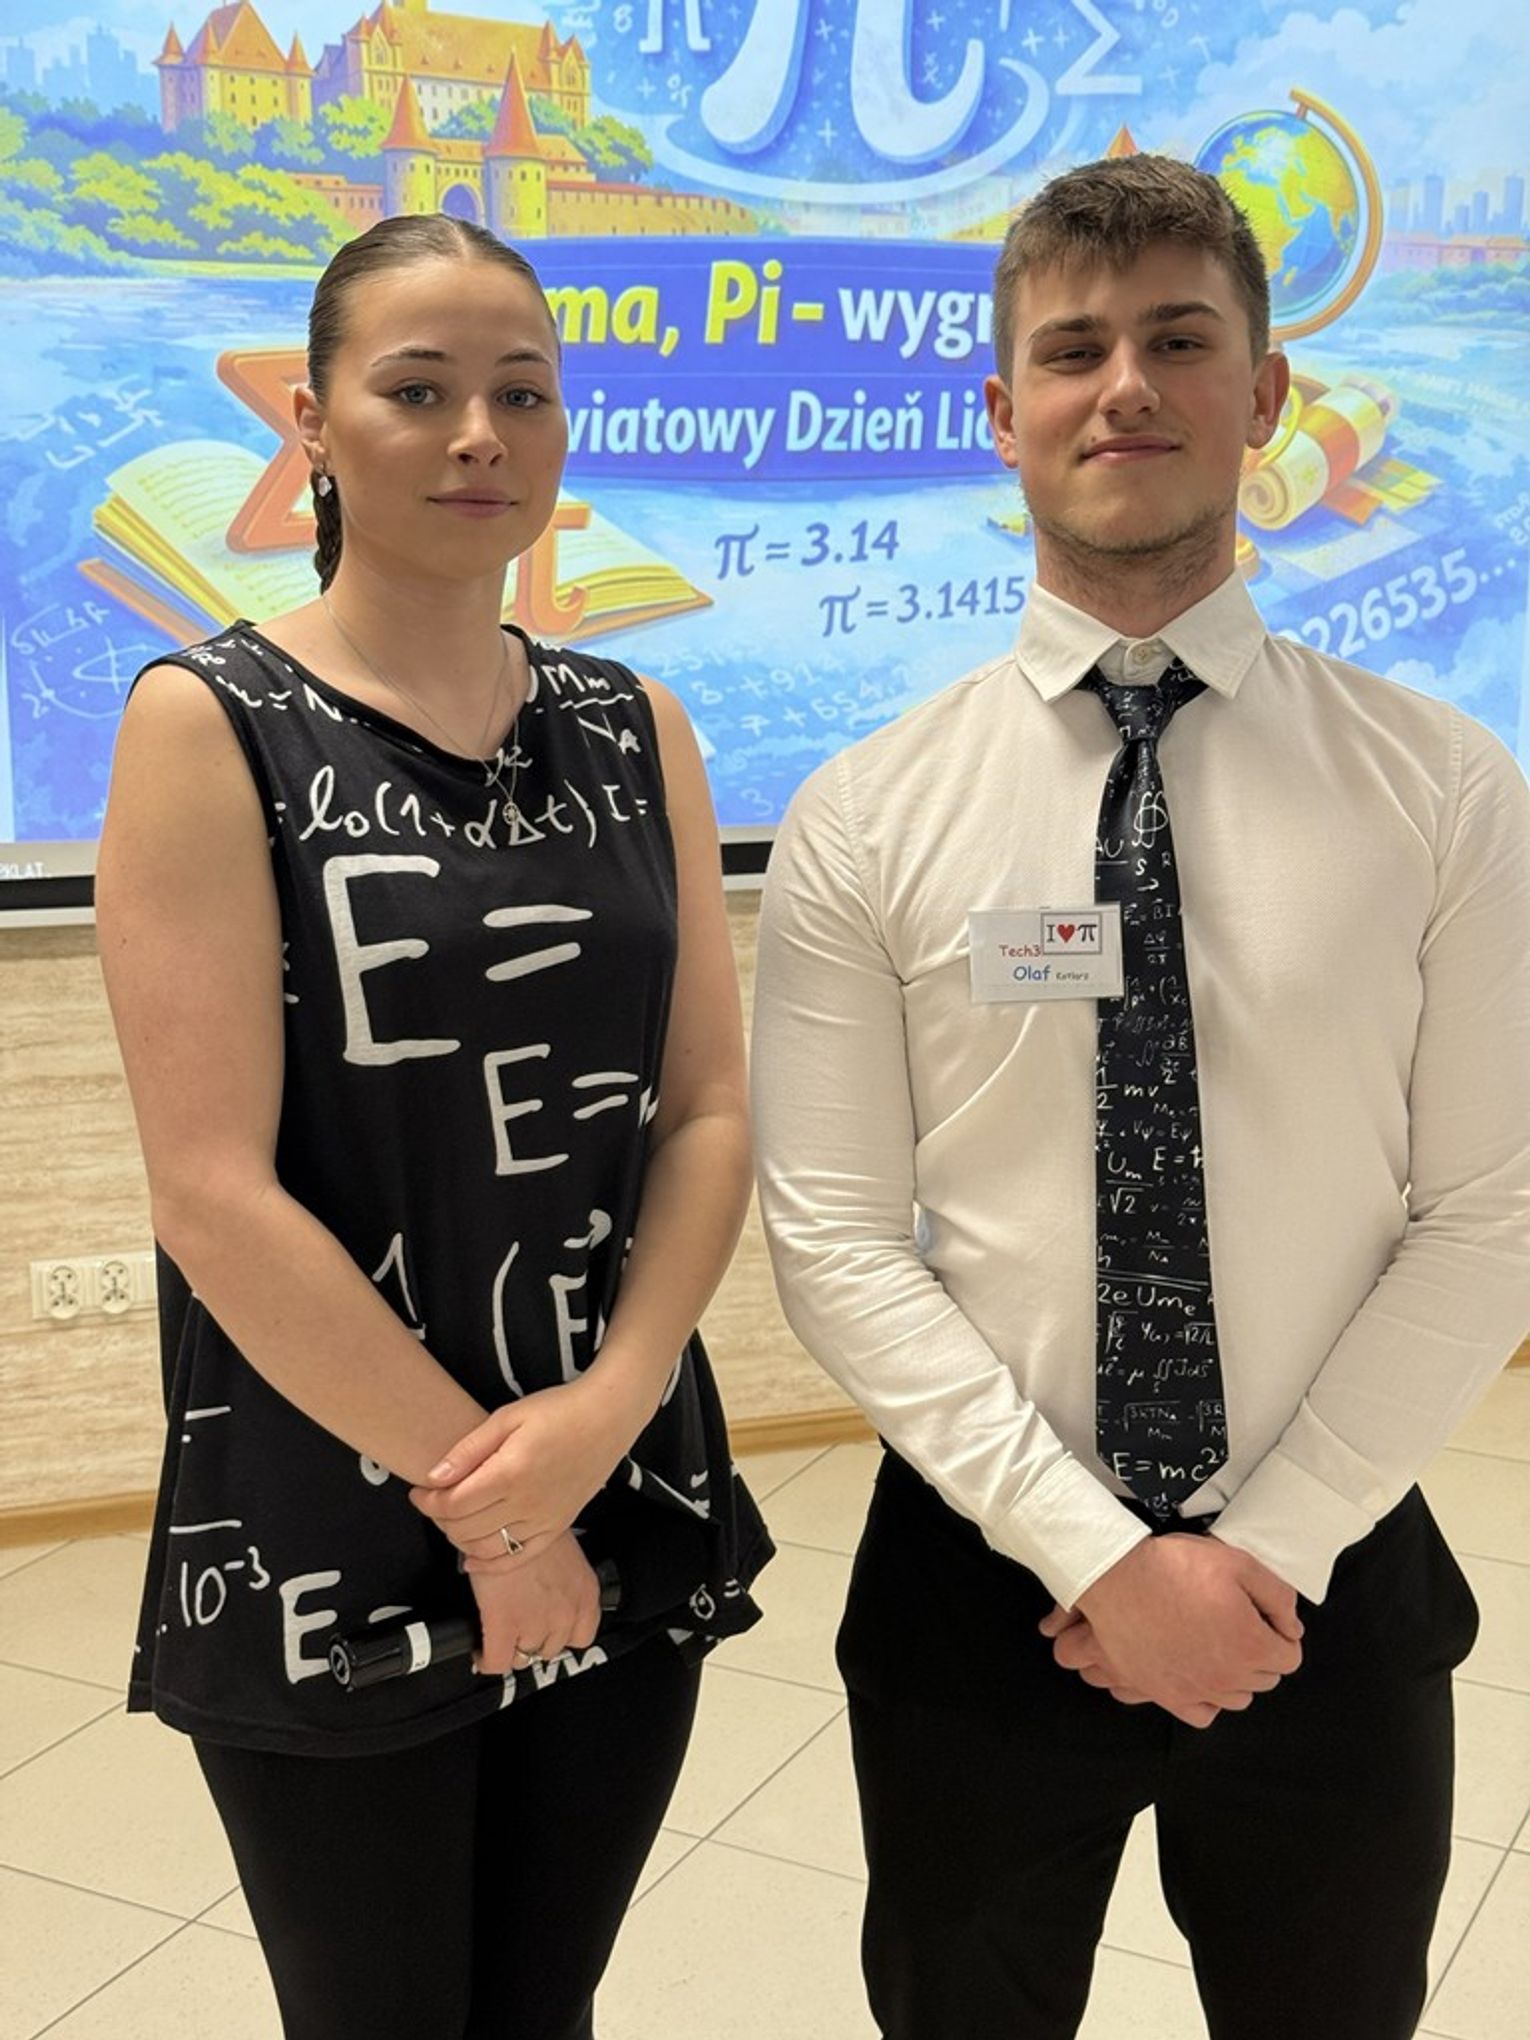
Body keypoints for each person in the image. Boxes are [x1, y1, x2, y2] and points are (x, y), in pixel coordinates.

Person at [751, 154, 1530, 2040]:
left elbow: (1492, 1206)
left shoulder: (1441, 788)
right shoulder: (867, 814)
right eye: (1072, 349)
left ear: (1265, 394)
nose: (1125, 388)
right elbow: (833, 1238)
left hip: (1326, 1571)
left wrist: (1261, 1551)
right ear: (998, 407)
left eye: (1179, 341)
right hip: (982, 1579)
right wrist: (1098, 1557)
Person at [96, 211, 770, 2040]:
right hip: (333, 1501)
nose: (480, 434)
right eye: (418, 390)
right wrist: (499, 1516)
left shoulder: (633, 722)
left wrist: (609, 1409)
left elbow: (707, 1109)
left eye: (522, 393)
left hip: (615, 1461)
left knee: (543, 2005)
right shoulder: (209, 722)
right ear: (311, 424)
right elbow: (212, 1195)